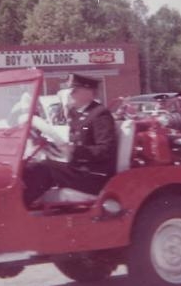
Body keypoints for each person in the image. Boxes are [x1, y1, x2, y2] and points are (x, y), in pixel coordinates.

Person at [22, 73, 117, 207]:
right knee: (31, 166)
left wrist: (75, 150)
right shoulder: (76, 113)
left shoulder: (100, 114)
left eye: (74, 90)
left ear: (89, 92)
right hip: (78, 170)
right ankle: (20, 204)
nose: (70, 94)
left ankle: (19, 207)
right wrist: (48, 145)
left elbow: (105, 150)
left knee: (45, 168)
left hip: (94, 176)